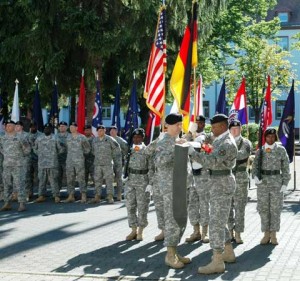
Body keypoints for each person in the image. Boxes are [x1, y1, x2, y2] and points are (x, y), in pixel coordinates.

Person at [188, 113, 237, 274]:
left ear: (222, 126)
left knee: (215, 222)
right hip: (217, 183)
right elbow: (207, 139)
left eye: (214, 127)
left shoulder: (227, 143)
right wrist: (195, 135)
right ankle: (228, 252)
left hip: (222, 184)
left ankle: (217, 260)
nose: (212, 130)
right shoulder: (219, 138)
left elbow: (212, 161)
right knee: (219, 220)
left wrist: (193, 152)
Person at [154, 113, 191, 269]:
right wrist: (176, 150)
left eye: (180, 124)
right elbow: (160, 161)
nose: (180, 127)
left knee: (181, 219)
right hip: (171, 187)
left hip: (182, 185)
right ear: (167, 126)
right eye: (177, 124)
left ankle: (175, 251)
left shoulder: (178, 140)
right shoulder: (163, 142)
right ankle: (170, 254)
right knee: (172, 219)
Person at [252, 127, 290, 245]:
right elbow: (255, 166)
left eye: (273, 136)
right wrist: (255, 177)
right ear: (265, 138)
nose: (270, 138)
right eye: (268, 136)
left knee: (275, 209)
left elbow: (285, 168)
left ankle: (273, 234)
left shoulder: (281, 150)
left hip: (276, 183)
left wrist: (285, 183)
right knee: (263, 209)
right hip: (263, 183)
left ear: (275, 137)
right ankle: (266, 234)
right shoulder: (260, 151)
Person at [185, 115, 210, 244]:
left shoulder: (208, 136)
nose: (198, 125)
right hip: (191, 176)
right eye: (196, 123)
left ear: (204, 124)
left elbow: (202, 145)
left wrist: (195, 139)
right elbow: (180, 143)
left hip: (203, 176)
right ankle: (196, 231)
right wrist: (189, 133)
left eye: (200, 123)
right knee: (192, 204)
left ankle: (205, 232)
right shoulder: (189, 136)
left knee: (204, 204)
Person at [227, 120, 252, 244]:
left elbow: (243, 154)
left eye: (237, 128)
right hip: (227, 178)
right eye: (233, 128)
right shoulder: (226, 142)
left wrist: (227, 154)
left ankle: (238, 233)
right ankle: (230, 231)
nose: (235, 130)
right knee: (228, 207)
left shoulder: (245, 142)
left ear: (240, 129)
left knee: (240, 207)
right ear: (229, 129)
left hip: (241, 178)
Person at [125, 128, 151, 241]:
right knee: (130, 206)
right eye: (134, 137)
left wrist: (151, 183)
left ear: (142, 138)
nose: (136, 139)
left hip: (143, 181)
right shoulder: (130, 150)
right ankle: (133, 229)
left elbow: (151, 167)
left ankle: (140, 230)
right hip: (130, 181)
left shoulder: (147, 150)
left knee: (142, 207)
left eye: (139, 137)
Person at [0, 120, 31, 212]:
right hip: (6, 165)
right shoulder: (3, 138)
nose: (8, 127)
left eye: (10, 125)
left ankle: (22, 203)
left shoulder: (20, 137)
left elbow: (27, 149)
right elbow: (1, 148)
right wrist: (6, 155)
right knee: (7, 184)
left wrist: (20, 157)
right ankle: (7, 203)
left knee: (19, 184)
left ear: (14, 126)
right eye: (7, 126)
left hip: (18, 165)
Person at [34, 123, 64, 203]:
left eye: (48, 128)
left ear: (51, 129)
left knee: (54, 180)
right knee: (41, 180)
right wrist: (40, 154)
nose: (46, 129)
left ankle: (56, 196)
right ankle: (41, 195)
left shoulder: (55, 138)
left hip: (52, 163)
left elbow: (61, 149)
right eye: (45, 128)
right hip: (42, 163)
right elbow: (34, 148)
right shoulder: (39, 138)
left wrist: (54, 155)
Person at [91, 124, 121, 204]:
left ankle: (110, 196)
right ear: (97, 131)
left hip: (107, 164)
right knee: (97, 181)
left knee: (109, 181)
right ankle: (97, 196)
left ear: (105, 131)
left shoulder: (109, 139)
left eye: (102, 130)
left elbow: (117, 148)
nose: (100, 132)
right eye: (99, 130)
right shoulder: (94, 140)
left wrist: (113, 158)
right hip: (97, 164)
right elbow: (93, 151)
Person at [65, 122, 91, 203]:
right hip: (69, 161)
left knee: (81, 178)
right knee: (70, 178)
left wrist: (81, 155)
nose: (71, 128)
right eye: (70, 127)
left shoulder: (82, 137)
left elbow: (87, 149)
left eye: (73, 127)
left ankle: (83, 195)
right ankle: (71, 195)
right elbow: (66, 148)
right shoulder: (68, 137)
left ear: (76, 128)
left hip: (79, 161)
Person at [110, 125, 128, 201]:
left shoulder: (120, 140)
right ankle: (110, 194)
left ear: (117, 131)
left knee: (118, 178)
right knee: (110, 178)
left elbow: (126, 149)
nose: (112, 132)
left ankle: (119, 194)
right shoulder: (107, 139)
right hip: (109, 161)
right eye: (111, 130)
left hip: (118, 162)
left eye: (114, 130)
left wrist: (122, 158)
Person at [28, 121, 43, 200]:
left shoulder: (41, 135)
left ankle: (40, 193)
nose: (33, 128)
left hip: (38, 159)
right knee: (28, 176)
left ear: (37, 127)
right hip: (28, 159)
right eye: (31, 126)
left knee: (39, 177)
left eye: (34, 126)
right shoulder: (27, 135)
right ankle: (29, 192)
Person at [57, 121, 69, 190]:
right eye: (60, 126)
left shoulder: (70, 136)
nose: (62, 127)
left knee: (69, 177)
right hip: (57, 159)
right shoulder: (55, 136)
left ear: (67, 127)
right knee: (57, 176)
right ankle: (57, 193)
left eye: (63, 126)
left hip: (67, 159)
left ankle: (70, 193)